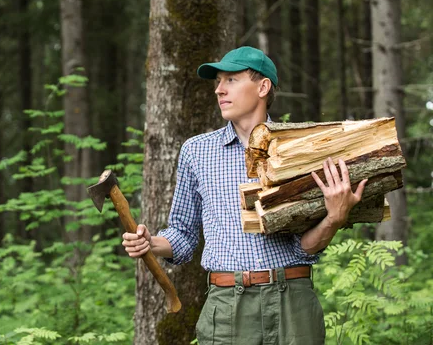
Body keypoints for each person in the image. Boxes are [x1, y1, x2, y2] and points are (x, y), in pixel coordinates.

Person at [122, 46, 368, 344]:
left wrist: (334, 218)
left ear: (263, 86)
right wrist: (150, 243)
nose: (219, 90)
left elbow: (305, 248)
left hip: (291, 301)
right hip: (228, 305)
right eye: (218, 82)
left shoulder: (300, 148)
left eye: (231, 80)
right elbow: (183, 236)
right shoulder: (197, 152)